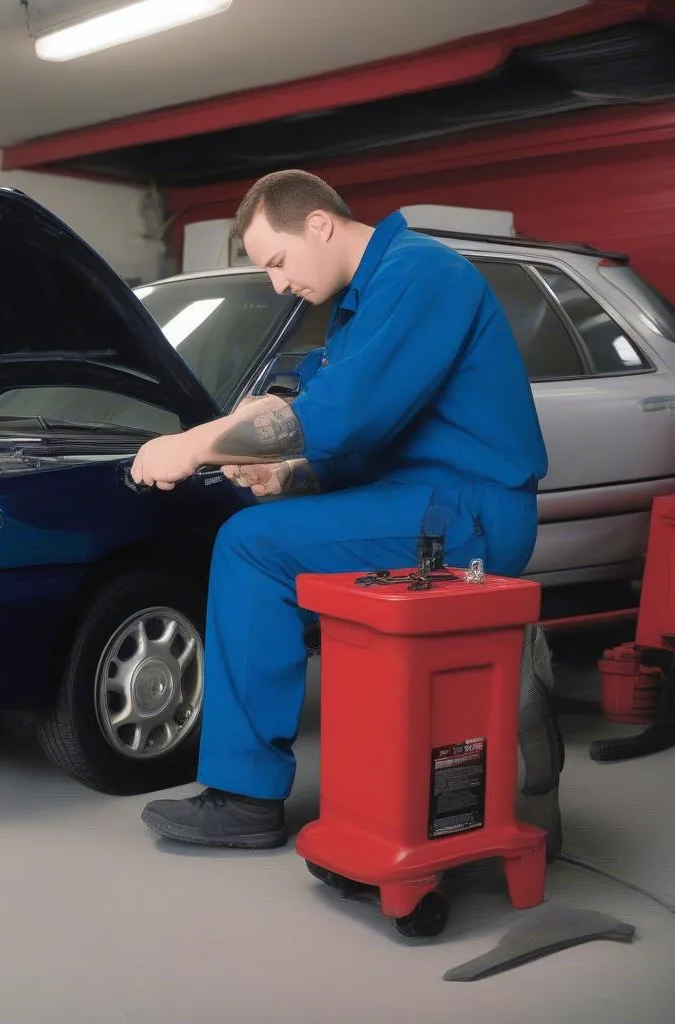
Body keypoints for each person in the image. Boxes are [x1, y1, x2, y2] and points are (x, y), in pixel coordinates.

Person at [130, 169, 548, 850]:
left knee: (250, 546)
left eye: (277, 261)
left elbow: (343, 416)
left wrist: (193, 444)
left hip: (473, 514)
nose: (276, 283)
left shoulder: (422, 276)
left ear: (319, 224)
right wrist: (291, 477)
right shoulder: (363, 308)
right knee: (260, 530)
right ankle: (277, 781)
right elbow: (357, 438)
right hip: (421, 502)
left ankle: (245, 797)